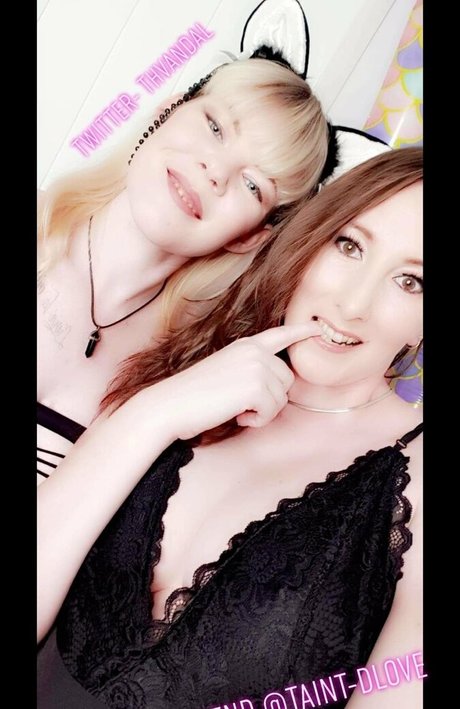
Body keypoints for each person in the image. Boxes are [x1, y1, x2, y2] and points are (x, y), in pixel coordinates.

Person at [38, 147, 423, 708]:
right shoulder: (188, 359)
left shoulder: (414, 478)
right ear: (311, 238)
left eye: (410, 281)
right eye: (349, 245)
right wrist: (153, 414)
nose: (353, 303)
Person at [37, 55, 332, 482]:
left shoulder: (185, 369)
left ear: (250, 236)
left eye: (253, 185)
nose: (217, 172)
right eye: (216, 127)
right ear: (167, 110)